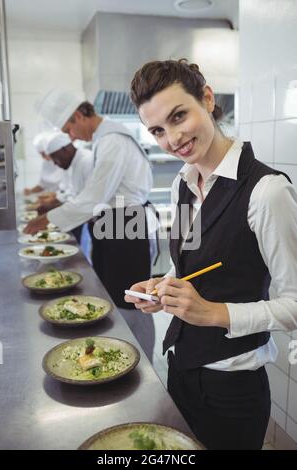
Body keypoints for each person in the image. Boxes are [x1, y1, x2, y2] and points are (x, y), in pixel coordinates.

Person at [125, 59, 297, 450]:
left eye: (179, 116)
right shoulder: (182, 185)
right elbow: (187, 267)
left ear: (206, 98)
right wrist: (162, 287)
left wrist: (214, 313)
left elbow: (294, 305)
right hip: (180, 370)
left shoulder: (267, 191)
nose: (171, 139)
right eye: (157, 130)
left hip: (233, 388)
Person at [24, 89, 155, 362]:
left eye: (69, 127)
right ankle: (118, 351)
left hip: (125, 227)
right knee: (110, 294)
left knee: (132, 300)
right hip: (111, 225)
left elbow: (94, 196)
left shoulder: (114, 141)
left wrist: (47, 218)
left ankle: (143, 362)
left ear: (79, 114)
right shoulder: (102, 141)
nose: (70, 135)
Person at [35, 131, 94, 243]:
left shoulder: (86, 161)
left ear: (65, 150)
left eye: (55, 159)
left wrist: (50, 215)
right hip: (83, 217)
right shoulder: (73, 162)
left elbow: (87, 201)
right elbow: (73, 194)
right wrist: (51, 206)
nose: (56, 164)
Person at [24, 131, 64, 196]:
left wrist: (53, 196)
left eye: (44, 153)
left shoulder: (65, 162)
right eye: (41, 154)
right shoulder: (47, 163)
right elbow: (43, 185)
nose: (43, 157)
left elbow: (68, 189)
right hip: (53, 200)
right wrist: (30, 191)